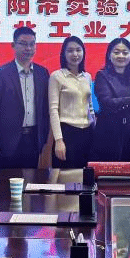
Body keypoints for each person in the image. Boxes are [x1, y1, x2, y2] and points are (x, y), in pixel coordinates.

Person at [0, 27, 50, 169]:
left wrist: (43, 138)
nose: (28, 48)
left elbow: (45, 109)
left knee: (30, 180)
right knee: (4, 181)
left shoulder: (42, 73)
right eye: (23, 44)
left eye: (32, 44)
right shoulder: (0, 74)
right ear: (13, 45)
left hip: (33, 140)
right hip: (6, 142)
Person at [90, 38, 130, 161]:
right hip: (109, 133)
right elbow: (106, 103)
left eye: (125, 53)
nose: (121, 56)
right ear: (109, 55)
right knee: (109, 170)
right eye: (116, 52)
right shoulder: (102, 76)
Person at [49, 36, 95, 168]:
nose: (75, 54)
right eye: (70, 51)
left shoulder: (87, 76)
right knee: (66, 176)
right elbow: (53, 110)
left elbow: (90, 106)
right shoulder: (57, 76)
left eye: (78, 50)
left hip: (87, 133)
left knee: (86, 174)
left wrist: (94, 127)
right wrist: (59, 140)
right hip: (67, 133)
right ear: (63, 54)